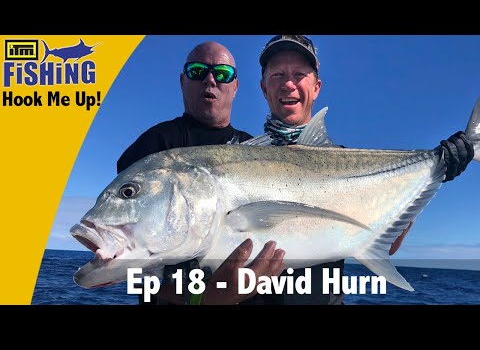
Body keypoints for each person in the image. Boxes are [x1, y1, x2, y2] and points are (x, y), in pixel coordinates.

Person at [247, 34, 474, 304]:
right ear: (263, 87)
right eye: (277, 75)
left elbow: (387, 245)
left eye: (299, 74)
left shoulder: (344, 160)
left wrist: (429, 177)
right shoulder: (241, 159)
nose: (288, 84)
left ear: (316, 87)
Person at [117, 41, 286, 305]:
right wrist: (203, 299)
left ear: (235, 86)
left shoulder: (260, 154)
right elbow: (130, 266)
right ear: (183, 81)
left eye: (222, 74)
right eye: (198, 71)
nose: (210, 79)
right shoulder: (153, 148)